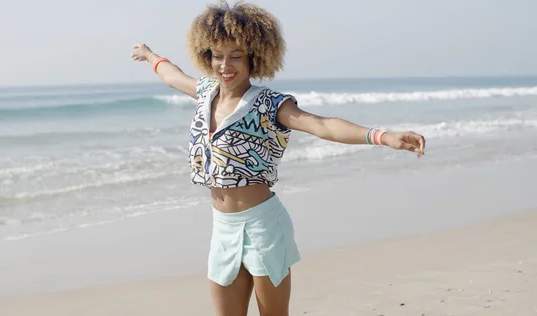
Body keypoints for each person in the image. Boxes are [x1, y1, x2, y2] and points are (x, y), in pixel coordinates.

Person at [130, 1, 425, 315]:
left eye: (236, 56)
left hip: (263, 225)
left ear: (254, 56)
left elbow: (322, 125)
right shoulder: (205, 92)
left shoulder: (270, 104)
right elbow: (172, 76)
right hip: (222, 226)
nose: (225, 65)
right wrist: (150, 55)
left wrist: (384, 137)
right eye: (218, 56)